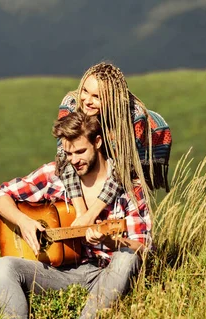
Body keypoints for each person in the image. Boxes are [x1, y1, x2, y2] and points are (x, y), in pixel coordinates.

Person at [0, 111, 152, 319]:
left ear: (97, 142)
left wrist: (109, 240)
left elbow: (143, 249)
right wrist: (24, 222)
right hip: (62, 271)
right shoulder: (54, 174)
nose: (74, 160)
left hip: (107, 273)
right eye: (68, 153)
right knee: (3, 266)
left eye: (80, 151)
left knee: (126, 258)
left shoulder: (128, 186)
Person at [56, 62, 171, 229]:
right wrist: (81, 213)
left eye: (97, 97)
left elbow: (121, 172)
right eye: (85, 91)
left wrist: (92, 214)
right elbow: (66, 160)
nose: (87, 101)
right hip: (89, 154)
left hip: (122, 161)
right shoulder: (71, 105)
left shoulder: (134, 118)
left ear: (113, 98)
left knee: (130, 187)